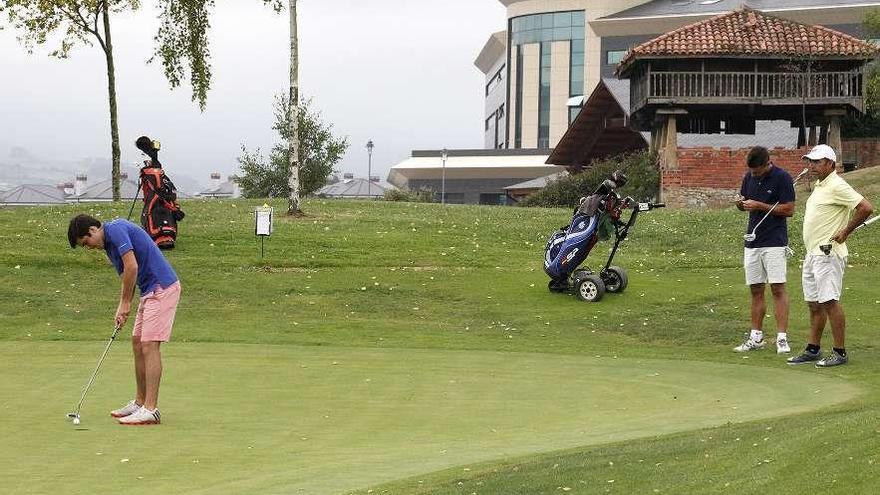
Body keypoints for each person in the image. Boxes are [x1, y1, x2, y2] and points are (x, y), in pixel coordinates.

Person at [68, 214, 182, 424]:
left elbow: (132, 266)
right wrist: (122, 308)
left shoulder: (116, 228)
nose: (88, 247)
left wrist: (126, 304)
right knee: (138, 342)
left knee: (149, 344)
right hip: (149, 290)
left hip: (163, 287)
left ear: (93, 231)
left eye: (86, 243)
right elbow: (125, 276)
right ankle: (139, 403)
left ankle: (151, 409)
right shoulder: (109, 247)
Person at [787, 144, 873, 367]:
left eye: (817, 162)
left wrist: (845, 231)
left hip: (828, 254)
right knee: (814, 304)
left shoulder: (836, 184)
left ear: (830, 164)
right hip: (813, 254)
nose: (812, 166)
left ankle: (840, 352)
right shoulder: (820, 185)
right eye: (810, 161)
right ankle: (813, 348)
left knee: (829, 302)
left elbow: (865, 207)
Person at [733, 146, 795, 354]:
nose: (754, 175)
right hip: (752, 241)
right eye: (751, 171)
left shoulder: (782, 178)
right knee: (756, 290)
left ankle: (782, 338)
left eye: (757, 171)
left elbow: (789, 210)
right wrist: (740, 204)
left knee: (777, 288)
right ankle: (756, 337)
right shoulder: (748, 177)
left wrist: (759, 205)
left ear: (768, 163)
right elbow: (745, 203)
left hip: (775, 241)